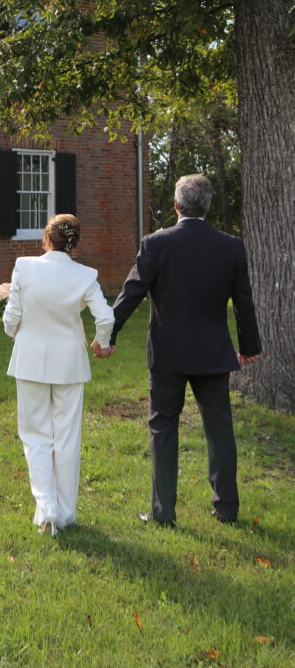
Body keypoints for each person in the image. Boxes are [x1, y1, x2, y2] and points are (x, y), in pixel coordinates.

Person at [107, 173, 261, 527]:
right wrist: (249, 345)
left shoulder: (155, 244)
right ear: (207, 206)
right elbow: (243, 300)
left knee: (163, 427)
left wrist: (107, 335)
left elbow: (131, 293)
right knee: (219, 428)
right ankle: (226, 508)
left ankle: (163, 513)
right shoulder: (231, 246)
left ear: (176, 205)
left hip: (168, 353)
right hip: (212, 353)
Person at [3, 213, 115, 537]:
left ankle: (46, 509)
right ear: (74, 243)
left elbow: (12, 318)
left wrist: (15, 333)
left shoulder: (24, 267)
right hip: (70, 364)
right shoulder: (85, 275)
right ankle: (64, 513)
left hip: (30, 361)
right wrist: (101, 343)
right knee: (67, 438)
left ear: (46, 238)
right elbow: (105, 317)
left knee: (35, 435)